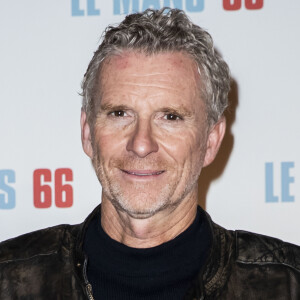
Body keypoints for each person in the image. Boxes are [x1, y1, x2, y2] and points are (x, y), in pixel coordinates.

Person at [0, 7, 299, 300]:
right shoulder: (9, 279)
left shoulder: (287, 284)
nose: (141, 144)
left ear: (210, 141)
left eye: (170, 117)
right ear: (88, 132)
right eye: (120, 113)